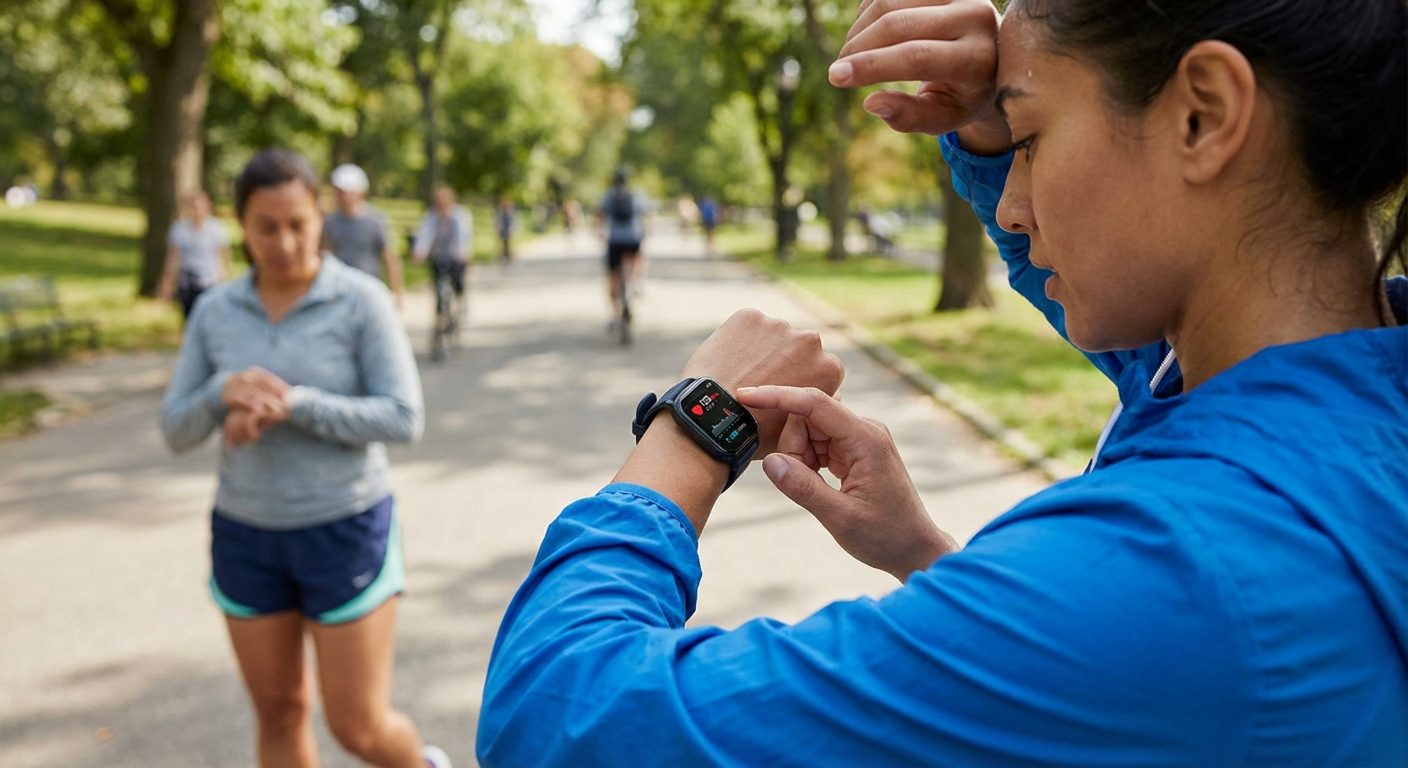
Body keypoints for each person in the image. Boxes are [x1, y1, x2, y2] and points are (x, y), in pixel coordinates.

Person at [476, 0, 1408, 765]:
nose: (1010, 199)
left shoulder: (1188, 566)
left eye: (1033, 138)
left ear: (1204, 113)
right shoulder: (1338, 397)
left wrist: (694, 424)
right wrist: (931, 557)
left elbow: (562, 717)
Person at [158, 148, 451, 768]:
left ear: (320, 221)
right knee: (280, 712)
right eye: (267, 227)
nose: (285, 242)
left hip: (344, 528)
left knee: (359, 727)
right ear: (242, 226)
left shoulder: (361, 301)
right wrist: (222, 394)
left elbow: (403, 418)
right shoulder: (215, 311)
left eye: (299, 224)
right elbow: (176, 430)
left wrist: (296, 404)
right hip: (247, 534)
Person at [325, 163, 404, 305]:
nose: (340, 196)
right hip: (338, 292)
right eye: (337, 191)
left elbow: (388, 257)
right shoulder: (330, 222)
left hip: (369, 291)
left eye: (344, 191)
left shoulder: (375, 221)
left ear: (359, 192)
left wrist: (396, 292)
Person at [157, 189, 231, 321]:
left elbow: (224, 257)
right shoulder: (179, 229)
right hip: (187, 282)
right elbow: (173, 258)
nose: (195, 210)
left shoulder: (217, 228)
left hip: (209, 282)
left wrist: (225, 283)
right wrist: (166, 285)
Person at [600, 168, 646, 326]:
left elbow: (601, 215)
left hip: (615, 241)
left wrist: (600, 233)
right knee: (639, 256)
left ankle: (615, 314)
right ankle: (636, 281)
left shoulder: (609, 196)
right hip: (633, 239)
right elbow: (644, 215)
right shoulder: (637, 195)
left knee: (612, 276)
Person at [412, 186, 472, 304]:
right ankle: (440, 316)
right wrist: (419, 252)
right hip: (438, 253)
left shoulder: (459, 216)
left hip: (455, 253)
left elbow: (462, 236)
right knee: (438, 284)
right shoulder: (431, 216)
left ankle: (460, 302)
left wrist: (464, 254)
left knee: (457, 280)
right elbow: (425, 235)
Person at [495, 197, 515, 264]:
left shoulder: (510, 214)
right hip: (502, 230)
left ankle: (507, 255)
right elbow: (498, 221)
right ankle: (503, 255)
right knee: (502, 243)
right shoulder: (500, 213)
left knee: (508, 243)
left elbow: (512, 222)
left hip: (507, 230)